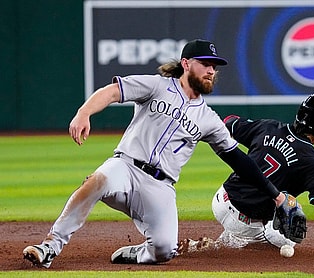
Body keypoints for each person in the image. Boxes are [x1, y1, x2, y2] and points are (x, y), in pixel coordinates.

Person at [22, 39, 289, 268]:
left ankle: (139, 253)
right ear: (186, 64)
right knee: (96, 181)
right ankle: (49, 247)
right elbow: (113, 92)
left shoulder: (209, 119)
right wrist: (84, 113)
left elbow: (239, 160)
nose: (211, 70)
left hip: (160, 187)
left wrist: (276, 196)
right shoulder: (157, 86)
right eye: (205, 63)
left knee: (164, 249)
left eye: (214, 66)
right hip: (125, 167)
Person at [179, 93, 314, 259]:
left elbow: (228, 123)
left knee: (281, 206)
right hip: (244, 220)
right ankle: (213, 247)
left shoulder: (268, 127)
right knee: (285, 237)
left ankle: (224, 240)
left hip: (221, 199)